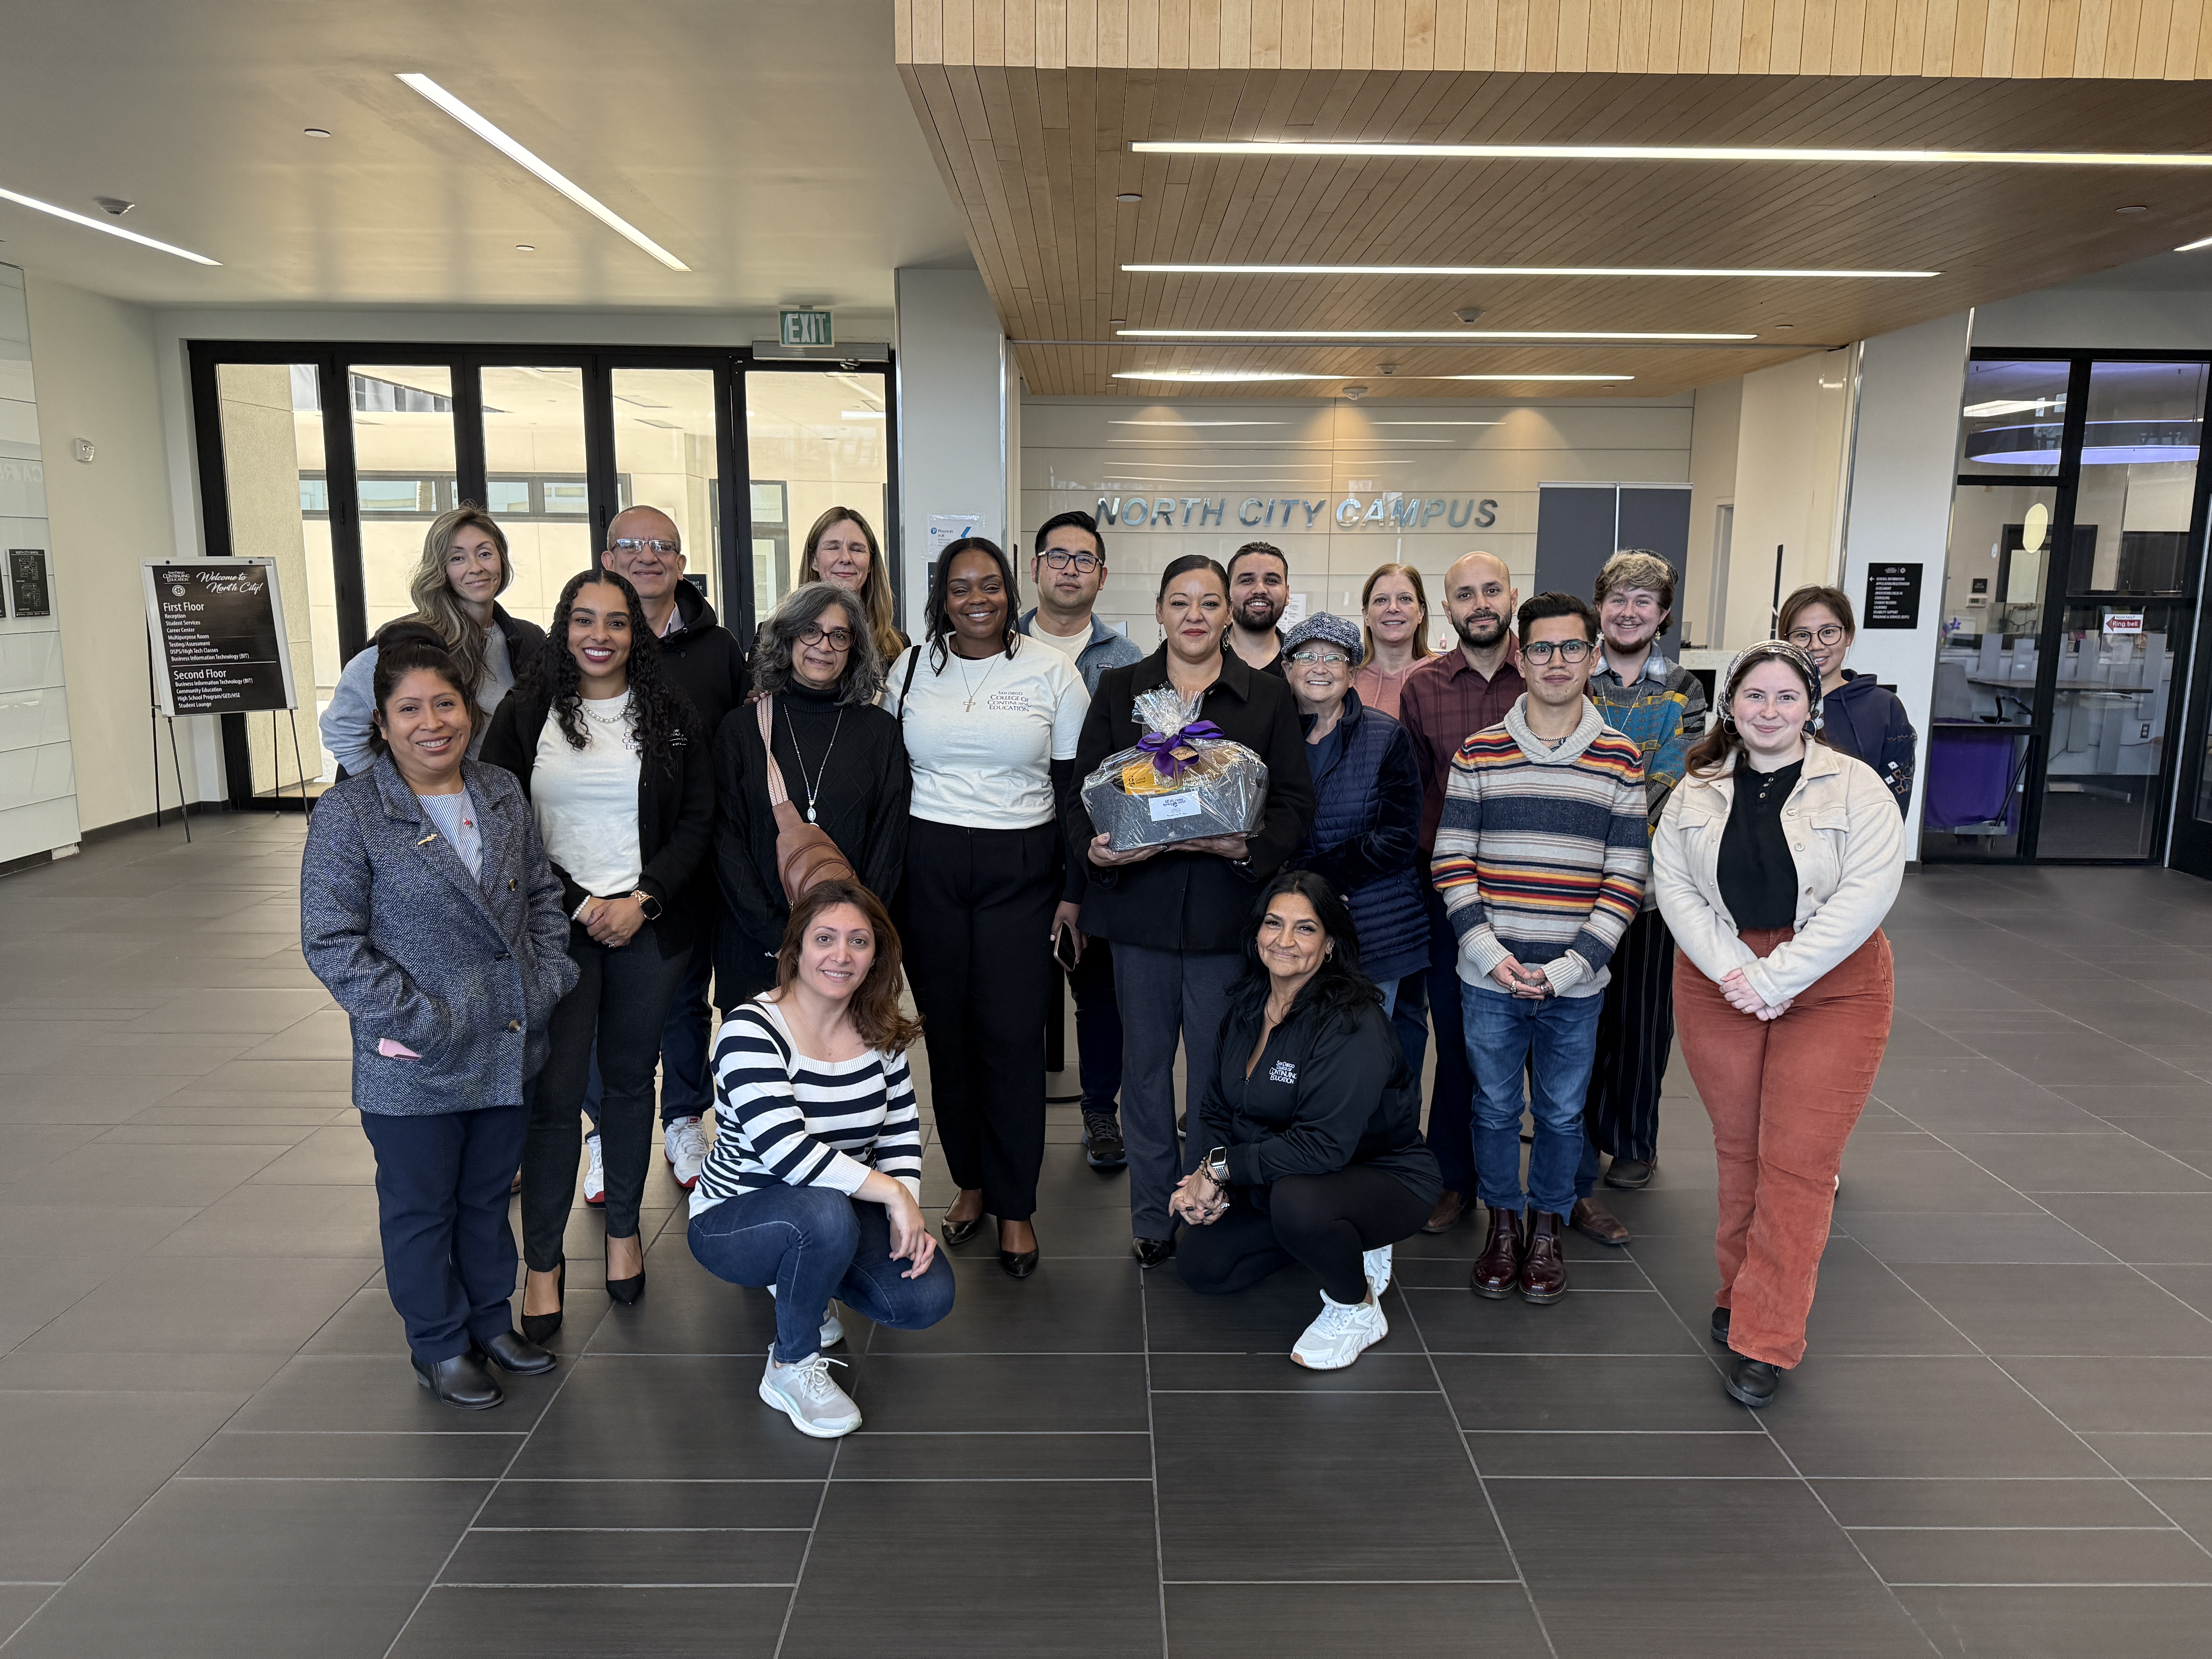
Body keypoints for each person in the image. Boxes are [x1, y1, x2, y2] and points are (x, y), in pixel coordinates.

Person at [300, 639, 578, 1409]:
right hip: (414, 1056)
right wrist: (421, 1020)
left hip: (506, 1041)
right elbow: (331, 941)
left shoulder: (499, 792)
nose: (433, 724)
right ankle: (437, 1342)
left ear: (471, 710)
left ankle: (490, 1322)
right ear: (381, 726)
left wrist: (546, 979)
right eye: (410, 710)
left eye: (446, 704)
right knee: (423, 1207)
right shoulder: (352, 813)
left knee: (488, 1198)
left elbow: (546, 899)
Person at [1653, 641, 1904, 1409]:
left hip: (1835, 983)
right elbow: (1676, 888)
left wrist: (1777, 977)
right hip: (1718, 978)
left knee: (1797, 1162)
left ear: (1811, 706)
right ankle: (1740, 1290)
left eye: (1786, 698)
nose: (1769, 711)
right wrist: (1736, 971)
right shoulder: (1696, 788)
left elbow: (1867, 895)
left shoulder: (1856, 787)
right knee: (1740, 1153)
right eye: (1754, 696)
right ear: (1731, 705)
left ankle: (1767, 1336)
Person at [479, 568, 714, 1336]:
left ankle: (623, 1238)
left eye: (616, 623)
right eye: (584, 621)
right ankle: (542, 1266)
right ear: (563, 626)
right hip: (556, 930)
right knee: (552, 1101)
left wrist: (641, 900)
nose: (600, 637)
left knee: (626, 1086)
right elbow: (500, 825)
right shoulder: (525, 713)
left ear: (635, 633)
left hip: (649, 928)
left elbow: (697, 821)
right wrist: (580, 902)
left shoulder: (669, 713)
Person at [1071, 554, 1317, 1267]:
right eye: (1180, 601)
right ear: (1158, 610)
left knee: (1219, 1076)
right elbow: (1082, 794)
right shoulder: (1120, 689)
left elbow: (1297, 804)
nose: (1196, 615)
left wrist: (1245, 848)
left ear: (1227, 612)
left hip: (1227, 919)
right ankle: (1152, 1214)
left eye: (1210, 602)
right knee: (1143, 1074)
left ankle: (1207, 1202)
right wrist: (1099, 853)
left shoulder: (1266, 698)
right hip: (1139, 917)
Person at [1433, 592, 1647, 1306]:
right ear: (1520, 657)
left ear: (1592, 656)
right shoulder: (1480, 751)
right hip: (1488, 977)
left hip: (1574, 983)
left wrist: (1568, 966)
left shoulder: (1620, 757)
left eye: (1571, 648)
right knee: (1492, 1107)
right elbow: (1452, 859)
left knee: (1559, 1113)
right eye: (1543, 648)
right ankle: (1501, 1225)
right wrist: (1491, 954)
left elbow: (1626, 875)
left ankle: (1546, 1226)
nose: (1557, 662)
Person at [886, 536, 1089, 1278]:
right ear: (940, 595)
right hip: (927, 867)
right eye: (961, 587)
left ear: (1011, 592)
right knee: (947, 1036)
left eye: (992, 586)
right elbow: (889, 776)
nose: (978, 599)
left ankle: (1016, 1206)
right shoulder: (906, 670)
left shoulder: (1052, 671)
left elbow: (1075, 794)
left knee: (1010, 1038)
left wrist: (1074, 891)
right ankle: (970, 1183)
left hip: (1022, 868)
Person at [688, 881, 953, 1438]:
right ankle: (790, 1364)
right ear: (796, 951)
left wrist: (901, 1203)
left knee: (926, 1295)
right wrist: (893, 1194)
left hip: (832, 1204)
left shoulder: (877, 1028)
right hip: (735, 1218)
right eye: (825, 938)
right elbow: (786, 1154)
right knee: (823, 1216)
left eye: (859, 941)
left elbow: (901, 1127)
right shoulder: (751, 1031)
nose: (842, 955)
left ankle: (806, 1279)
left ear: (877, 955)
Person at [1173, 872, 1441, 1369]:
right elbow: (1214, 1107)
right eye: (1274, 924)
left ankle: (1355, 1306)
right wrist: (1203, 1179)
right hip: (1282, 1174)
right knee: (1203, 1267)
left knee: (1299, 1202)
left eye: (1306, 928)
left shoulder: (1351, 1022)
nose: (1285, 941)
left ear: (1331, 943)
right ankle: (1335, 1242)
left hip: (1380, 1176)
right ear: (1257, 934)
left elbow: (1323, 1149)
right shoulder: (1248, 1005)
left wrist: (1223, 1169)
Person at [598, 507, 749, 1194]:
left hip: (692, 854)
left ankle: (684, 1117)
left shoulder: (718, 649)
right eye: (631, 545)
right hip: (601, 853)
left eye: (663, 546)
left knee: (687, 995)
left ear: (682, 564)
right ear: (607, 558)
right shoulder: (585, 639)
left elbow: (739, 744)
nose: (647, 557)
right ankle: (604, 1128)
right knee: (603, 1000)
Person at [1573, 550, 1710, 1249]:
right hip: (1572, 880)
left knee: (1642, 1017)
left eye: (1643, 601)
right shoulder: (1574, 674)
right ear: (1601, 607)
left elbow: (1679, 774)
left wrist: (1613, 812)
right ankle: (1577, 1133)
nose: (1629, 611)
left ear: (1662, 613)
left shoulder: (1686, 688)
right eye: (1618, 598)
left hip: (1654, 886)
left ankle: (1632, 1139)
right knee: (1578, 1013)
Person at [1396, 551, 1524, 1233]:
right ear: (1444, 609)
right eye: (1465, 594)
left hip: (1538, 884)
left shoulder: (1541, 674)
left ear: (1511, 597)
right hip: (1450, 887)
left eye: (1491, 590)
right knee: (1457, 1032)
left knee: (1534, 1036)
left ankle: (1536, 1183)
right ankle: (1454, 1177)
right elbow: (1417, 793)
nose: (1480, 603)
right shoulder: (1423, 687)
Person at [1019, 509, 1144, 1172]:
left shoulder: (1127, 664)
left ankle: (1100, 1109)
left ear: (1101, 574)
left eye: (1084, 559)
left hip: (1099, 854)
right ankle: (1010, 1115)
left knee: (1099, 993)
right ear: (1034, 566)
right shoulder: (994, 643)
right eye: (1057, 556)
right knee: (1013, 991)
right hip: (1012, 846)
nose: (1070, 568)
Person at [714, 582, 908, 1007]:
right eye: (810, 631)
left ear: (854, 646)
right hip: (756, 947)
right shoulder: (742, 730)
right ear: (786, 637)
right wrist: (781, 935)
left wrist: (853, 931)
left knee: (843, 1069)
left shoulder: (880, 732)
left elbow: (888, 846)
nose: (824, 645)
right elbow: (725, 842)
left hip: (846, 955)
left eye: (839, 635)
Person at [319, 505, 545, 778]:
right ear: (441, 569)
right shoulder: (407, 642)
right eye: (457, 559)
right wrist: (390, 796)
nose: (476, 568)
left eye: (485, 554)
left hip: (498, 805)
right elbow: (340, 729)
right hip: (424, 811)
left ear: (502, 561)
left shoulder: (529, 639)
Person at [1280, 612, 1428, 1025]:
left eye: (1335, 658)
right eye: (1307, 656)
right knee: (1302, 1054)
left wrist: (1315, 880)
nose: (1320, 668)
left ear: (1352, 672)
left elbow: (1399, 837)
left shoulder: (1387, 736)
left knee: (1376, 1057)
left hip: (1378, 928)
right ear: (1288, 668)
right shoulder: (1269, 736)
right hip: (1293, 927)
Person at [1780, 585, 1916, 811]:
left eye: (1829, 632)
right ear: (1786, 641)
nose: (1816, 645)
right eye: (1802, 635)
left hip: (1855, 842)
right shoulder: (1768, 705)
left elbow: (1894, 801)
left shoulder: (1884, 707)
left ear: (1849, 635)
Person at [802, 505, 907, 668]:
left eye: (857, 549)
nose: (846, 558)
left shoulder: (899, 647)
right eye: (833, 548)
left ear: (871, 563)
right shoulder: (776, 637)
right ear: (813, 560)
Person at [1353, 562, 1434, 720]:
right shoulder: (1346, 679)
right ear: (1366, 615)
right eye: (1381, 600)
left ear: (1421, 612)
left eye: (1405, 599)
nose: (1393, 608)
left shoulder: (1445, 676)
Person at [1224, 542, 1291, 675]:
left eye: (1271, 581)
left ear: (1287, 594)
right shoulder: (1203, 656)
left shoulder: (1302, 663)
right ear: (1227, 592)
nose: (1260, 590)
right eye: (1247, 580)